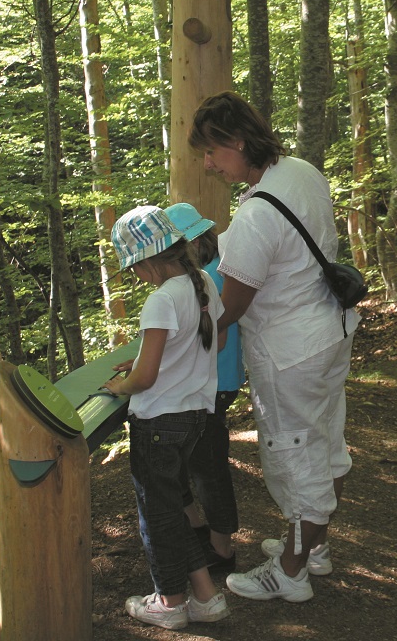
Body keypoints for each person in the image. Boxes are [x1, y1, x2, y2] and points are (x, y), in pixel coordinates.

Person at [188, 90, 358, 604]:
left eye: (212, 151)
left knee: (295, 458)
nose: (208, 164)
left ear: (238, 142)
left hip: (289, 354)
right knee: (325, 445)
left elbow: (233, 304)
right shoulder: (301, 172)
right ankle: (314, 546)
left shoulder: (256, 215)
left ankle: (290, 572)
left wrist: (191, 337)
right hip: (329, 330)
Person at [102, 206, 231, 630]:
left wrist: (120, 385)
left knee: (157, 518)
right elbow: (205, 345)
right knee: (173, 509)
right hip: (193, 417)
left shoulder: (161, 299)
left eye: (134, 268)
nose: (136, 276)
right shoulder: (203, 283)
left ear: (147, 262)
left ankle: (170, 602)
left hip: (157, 422)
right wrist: (145, 360)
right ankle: (206, 596)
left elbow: (146, 378)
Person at [163, 202, 245, 575]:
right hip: (210, 381)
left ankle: (221, 549)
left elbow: (212, 337)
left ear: (193, 243)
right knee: (191, 460)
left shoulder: (209, 278)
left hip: (212, 383)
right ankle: (199, 529)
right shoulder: (212, 272)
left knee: (207, 467)